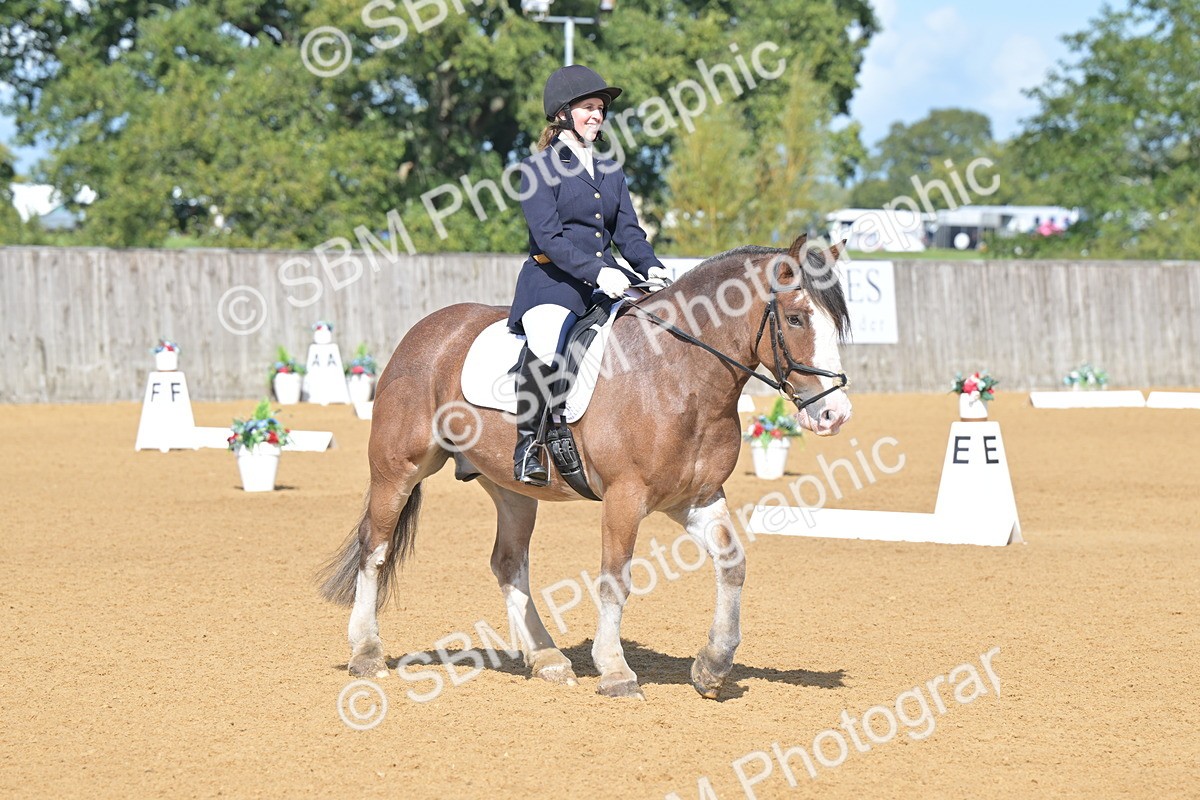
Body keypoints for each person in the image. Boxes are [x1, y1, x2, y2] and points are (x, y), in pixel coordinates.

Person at [507, 64, 670, 486]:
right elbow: (549, 239)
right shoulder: (537, 169)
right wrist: (598, 271)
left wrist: (650, 266)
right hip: (553, 284)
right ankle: (529, 446)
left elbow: (628, 233)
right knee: (547, 343)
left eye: (600, 108)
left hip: (607, 283)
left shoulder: (611, 170)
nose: (597, 115)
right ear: (563, 113)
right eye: (588, 108)